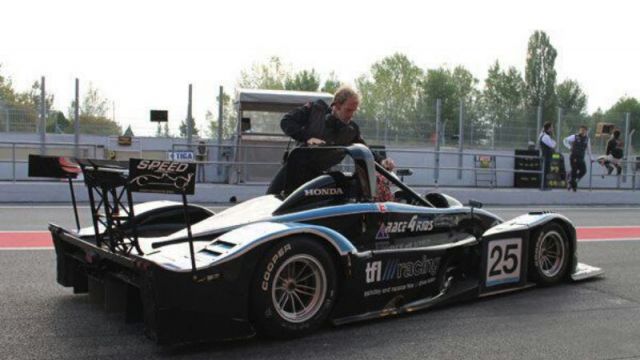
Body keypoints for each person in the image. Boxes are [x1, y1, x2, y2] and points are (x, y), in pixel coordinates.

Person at [267, 86, 368, 196]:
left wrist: (382, 161)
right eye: (348, 110)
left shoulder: (351, 130)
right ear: (337, 106)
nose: (351, 115)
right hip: (294, 170)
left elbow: (365, 149)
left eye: (354, 111)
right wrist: (307, 138)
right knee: (269, 198)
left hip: (319, 176)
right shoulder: (314, 111)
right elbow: (286, 121)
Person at [563, 125, 593, 192]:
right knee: (574, 171)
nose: (582, 131)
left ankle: (572, 181)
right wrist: (569, 147)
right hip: (574, 156)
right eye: (581, 130)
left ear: (586, 131)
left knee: (583, 171)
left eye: (584, 130)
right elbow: (565, 140)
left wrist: (591, 158)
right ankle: (573, 186)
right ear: (579, 130)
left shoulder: (587, 139)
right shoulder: (575, 136)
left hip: (581, 157)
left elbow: (589, 149)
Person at [538, 121, 557, 190]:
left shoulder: (543, 135)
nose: (552, 129)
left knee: (546, 171)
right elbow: (553, 145)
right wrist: (554, 139)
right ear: (548, 128)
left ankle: (544, 185)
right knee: (545, 171)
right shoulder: (545, 136)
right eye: (551, 127)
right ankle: (543, 186)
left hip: (546, 156)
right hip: (546, 156)